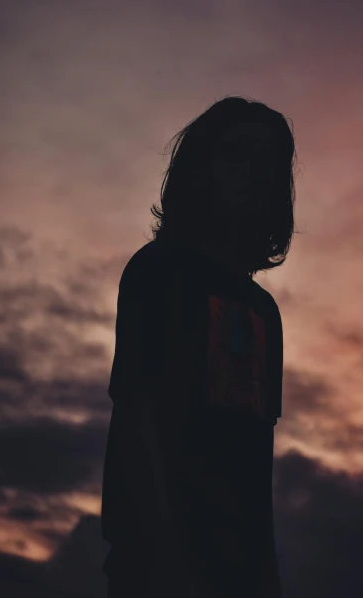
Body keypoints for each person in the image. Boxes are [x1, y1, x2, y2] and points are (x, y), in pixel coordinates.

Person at [100, 95, 300, 597]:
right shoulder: (158, 272)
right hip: (156, 565)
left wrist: (266, 580)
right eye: (236, 154)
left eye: (267, 163)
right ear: (199, 168)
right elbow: (138, 418)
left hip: (240, 573)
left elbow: (257, 460)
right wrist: (162, 558)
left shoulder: (263, 311)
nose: (253, 173)